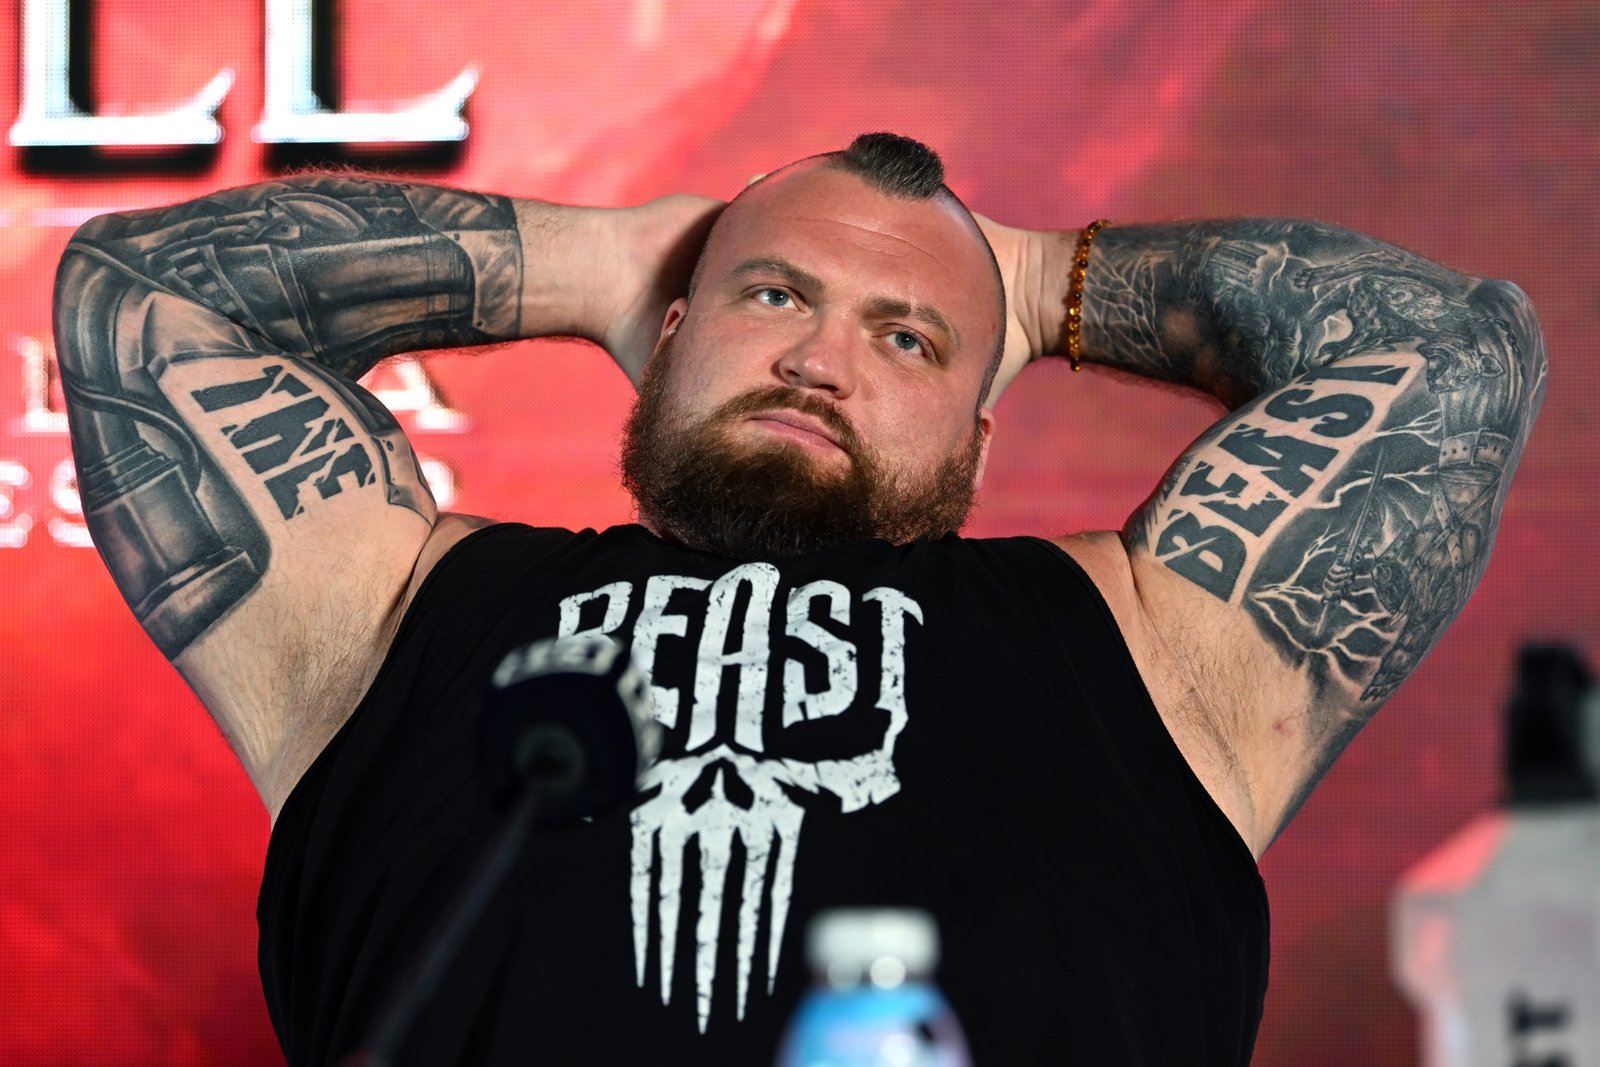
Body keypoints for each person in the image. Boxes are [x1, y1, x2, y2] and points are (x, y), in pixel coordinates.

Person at [53, 133, 1545, 1065]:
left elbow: (1458, 355)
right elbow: (144, 292)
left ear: (983, 422)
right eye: (774, 298)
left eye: (908, 340)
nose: (820, 360)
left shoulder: (1159, 647)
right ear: (673, 330)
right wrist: (602, 260)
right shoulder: (392, 611)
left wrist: (1034, 280)